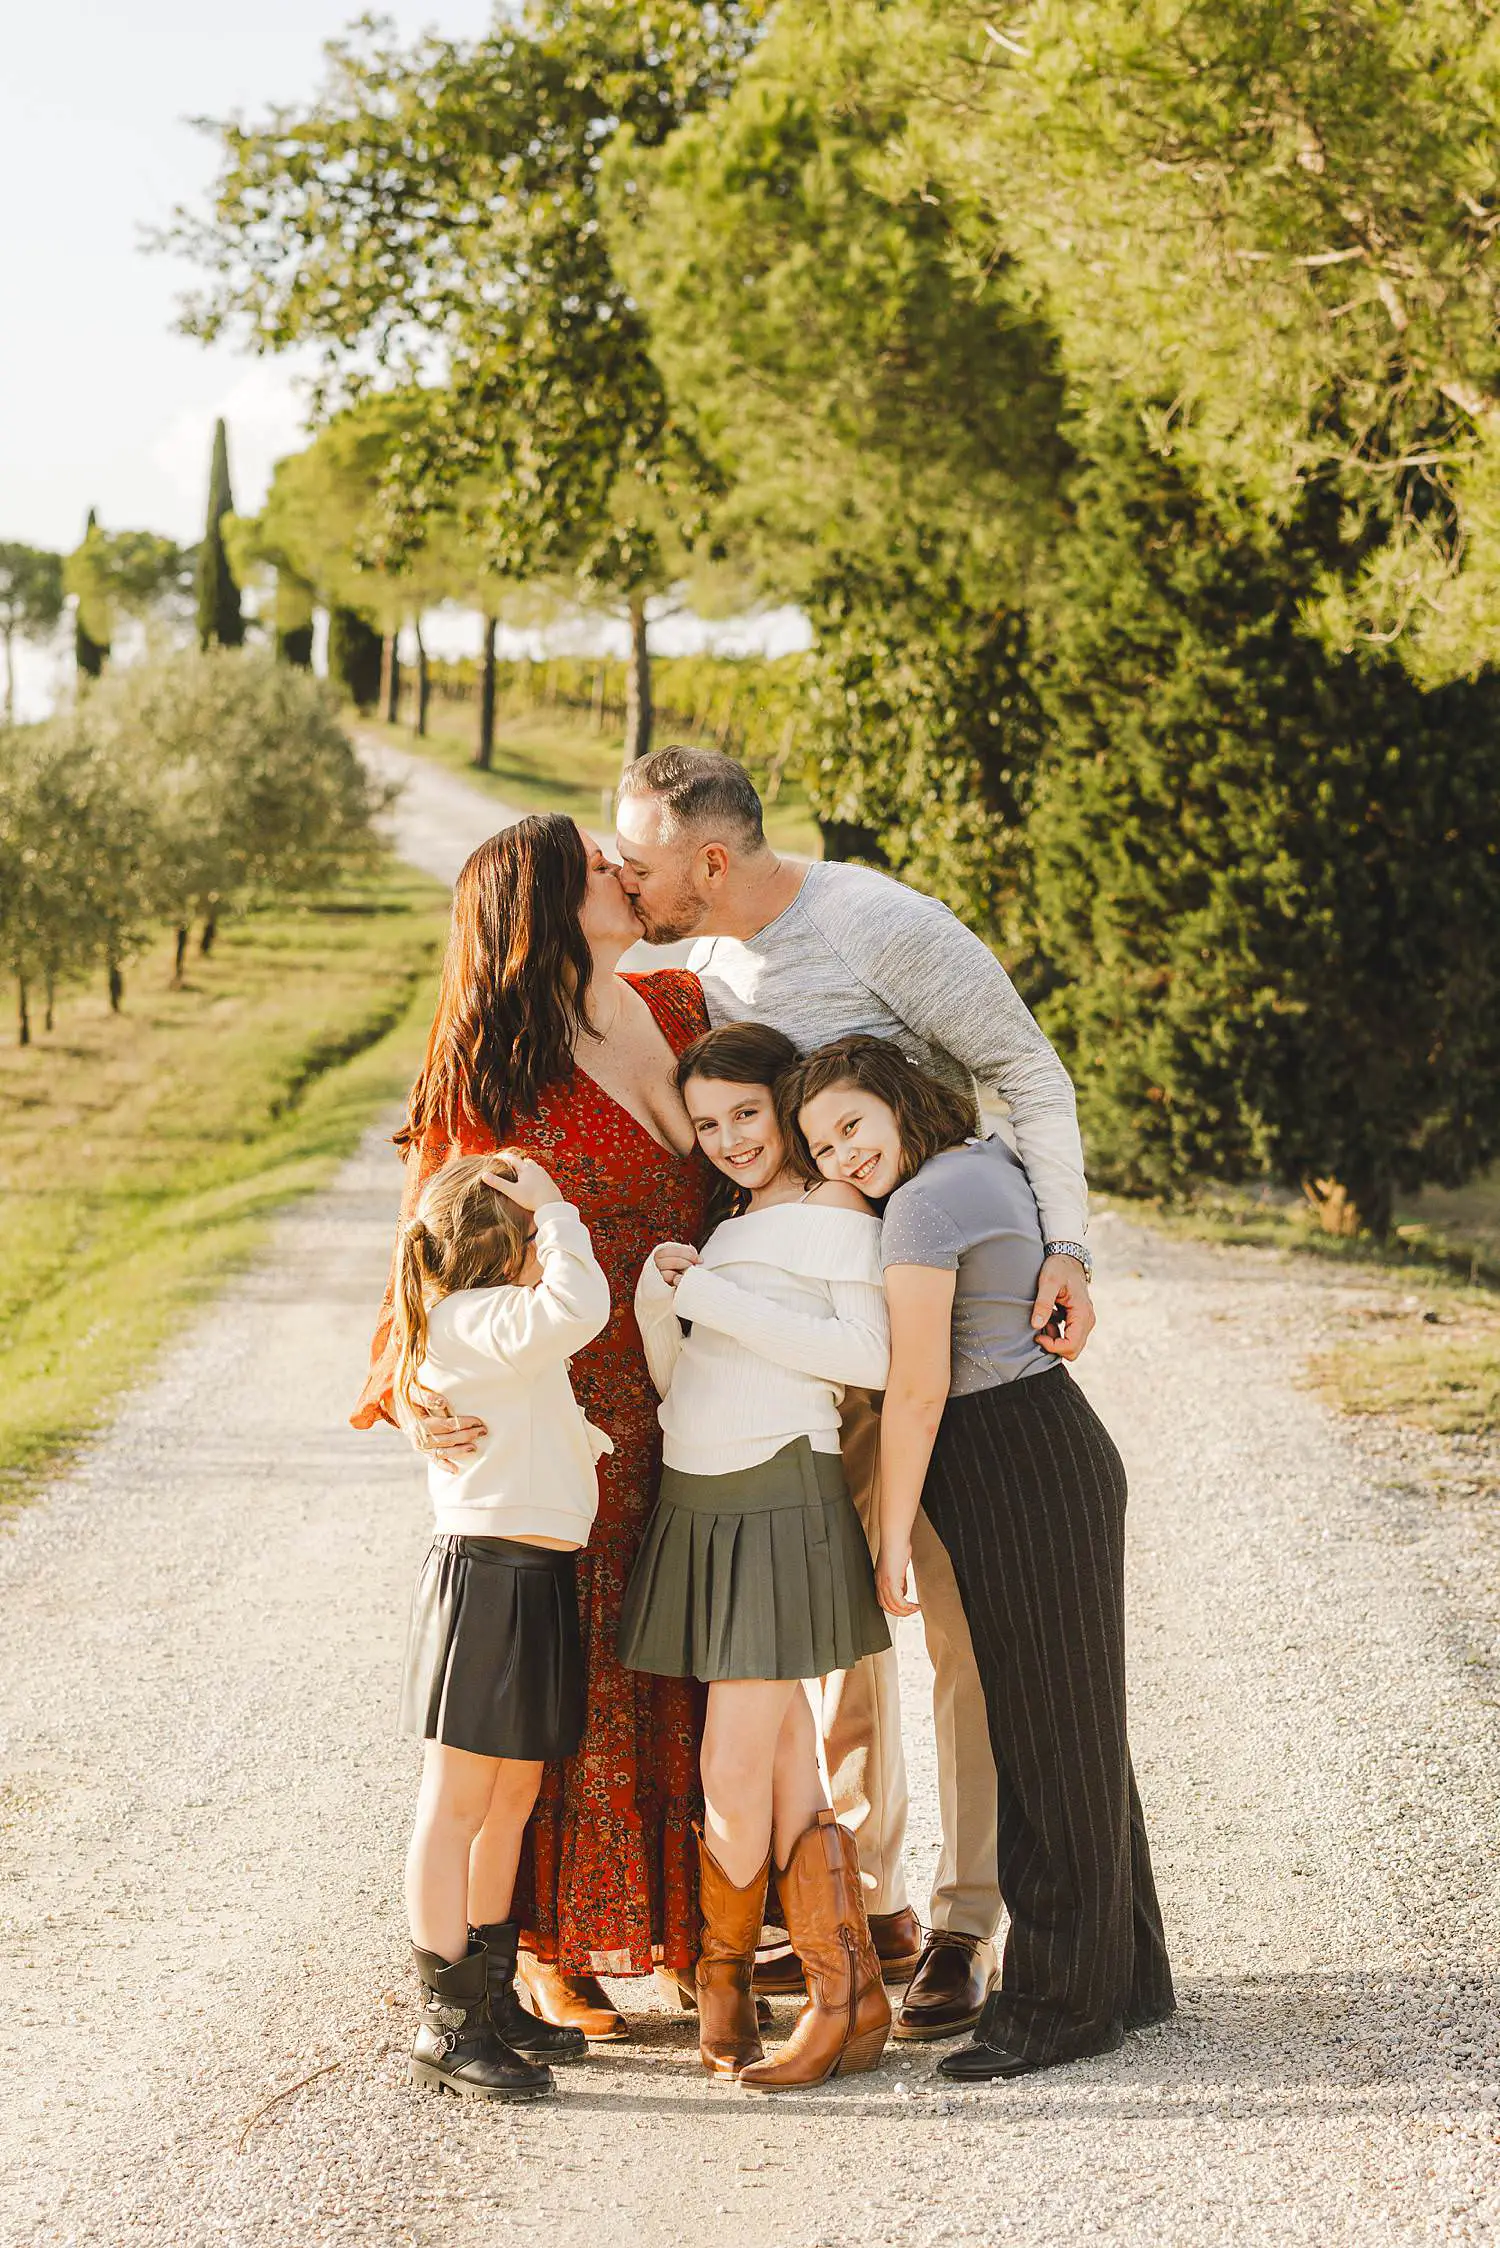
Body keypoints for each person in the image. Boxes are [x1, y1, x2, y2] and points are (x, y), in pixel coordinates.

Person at [614, 746, 1095, 2037]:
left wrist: (1068, 1248)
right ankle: (859, 1903)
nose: (627, 879)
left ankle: (964, 1918)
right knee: (833, 1644)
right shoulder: (705, 964)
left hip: (924, 1339)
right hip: (791, 1370)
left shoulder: (883, 926)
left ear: (709, 862)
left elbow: (1030, 1074)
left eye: (641, 863)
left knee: (957, 1636)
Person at [354, 813, 712, 2041]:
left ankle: (694, 1921)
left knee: (688, 1665)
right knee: (570, 1691)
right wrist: (413, 1391)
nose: (624, 869)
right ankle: (544, 1948)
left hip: (707, 1393)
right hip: (568, 1413)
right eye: (595, 866)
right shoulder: (488, 1073)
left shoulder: (678, 1006)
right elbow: (420, 1250)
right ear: (543, 910)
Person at [788, 1035, 1175, 2079]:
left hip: (1010, 1458)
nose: (842, 1155)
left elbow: (917, 1392)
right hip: (1045, 1444)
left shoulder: (922, 1206)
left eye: (855, 1126)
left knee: (1044, 1733)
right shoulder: (988, 1164)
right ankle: (1125, 1978)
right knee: (1076, 1725)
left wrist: (887, 1541)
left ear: (904, 1101)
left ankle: (1055, 2010)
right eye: (822, 1145)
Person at [617, 1022, 892, 2089]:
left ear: (787, 1103)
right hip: (699, 1491)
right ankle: (846, 1997)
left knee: (731, 1761)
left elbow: (865, 1359)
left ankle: (731, 1981)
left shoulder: (838, 1218)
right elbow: (683, 1385)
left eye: (747, 1112)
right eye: (709, 1122)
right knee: (784, 1762)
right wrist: (658, 1303)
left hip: (780, 1491)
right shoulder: (727, 1226)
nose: (730, 1137)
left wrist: (712, 1297)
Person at [393, 1150, 611, 2100]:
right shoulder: (475, 1320)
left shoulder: (488, 1330)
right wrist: (559, 1211)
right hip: (486, 1579)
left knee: (512, 1797)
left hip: (532, 1576)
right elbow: (579, 1308)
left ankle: (489, 1992)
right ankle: (446, 2021)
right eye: (535, 1237)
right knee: (459, 1802)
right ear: (515, 1247)